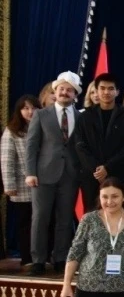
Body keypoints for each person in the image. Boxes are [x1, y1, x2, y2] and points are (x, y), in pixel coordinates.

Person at [26, 72, 81, 274]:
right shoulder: (41, 115)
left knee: (65, 219)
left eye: (69, 90)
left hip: (70, 175)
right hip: (43, 175)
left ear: (75, 94)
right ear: (55, 92)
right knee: (40, 218)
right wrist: (30, 172)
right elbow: (31, 146)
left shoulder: (81, 117)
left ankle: (60, 258)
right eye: (61, 89)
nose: (65, 92)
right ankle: (38, 260)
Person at [75, 73, 124, 211]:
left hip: (119, 174)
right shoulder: (85, 116)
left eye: (110, 88)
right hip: (91, 176)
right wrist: (97, 170)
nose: (106, 92)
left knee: (119, 212)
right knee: (92, 214)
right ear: (96, 91)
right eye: (102, 88)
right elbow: (80, 146)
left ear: (117, 92)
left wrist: (107, 168)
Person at [2, 95, 40, 267]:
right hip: (21, 186)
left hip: (42, 185)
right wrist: (9, 184)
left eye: (33, 108)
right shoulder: (12, 131)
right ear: (19, 111)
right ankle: (27, 259)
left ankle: (42, 257)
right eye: (26, 108)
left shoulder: (42, 127)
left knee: (41, 223)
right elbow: (7, 159)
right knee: (25, 223)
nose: (30, 112)